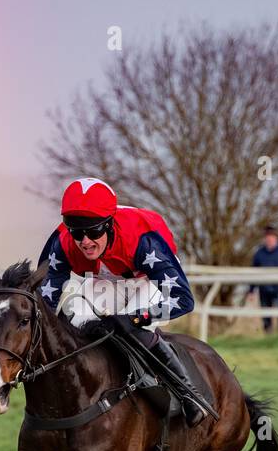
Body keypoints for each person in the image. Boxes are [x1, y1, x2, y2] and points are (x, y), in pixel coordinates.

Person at [37, 177, 212, 426]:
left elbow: (183, 299)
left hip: (147, 278)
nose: (85, 241)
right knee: (75, 323)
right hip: (103, 278)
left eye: (94, 231)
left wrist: (136, 318)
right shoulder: (63, 242)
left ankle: (188, 395)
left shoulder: (143, 239)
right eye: (77, 232)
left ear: (109, 225)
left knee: (132, 330)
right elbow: (45, 299)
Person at [248, 225, 278, 333]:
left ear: (276, 238)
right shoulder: (259, 253)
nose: (269, 239)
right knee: (266, 313)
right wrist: (251, 290)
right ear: (264, 239)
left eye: (272, 237)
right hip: (264, 288)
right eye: (267, 237)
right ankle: (268, 333)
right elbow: (253, 272)